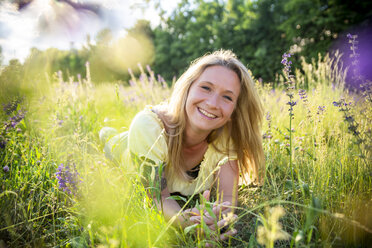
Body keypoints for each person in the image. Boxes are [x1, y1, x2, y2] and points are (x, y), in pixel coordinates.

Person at [99, 49, 265, 242]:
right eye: (206, 88)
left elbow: (227, 200)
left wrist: (215, 223)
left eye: (227, 97)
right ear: (188, 88)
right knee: (112, 143)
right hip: (127, 147)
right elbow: (157, 199)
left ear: (234, 110)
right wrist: (189, 223)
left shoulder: (227, 139)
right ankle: (108, 135)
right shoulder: (149, 128)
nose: (212, 103)